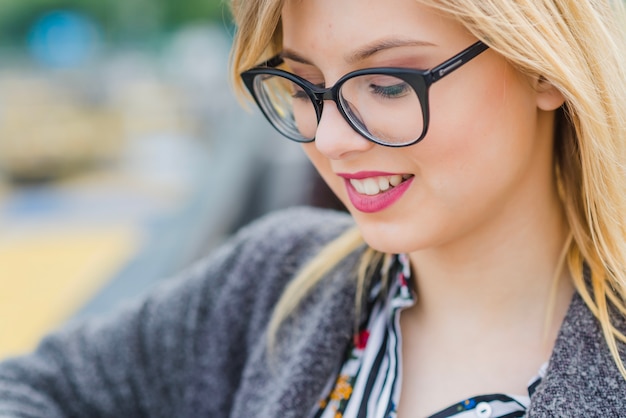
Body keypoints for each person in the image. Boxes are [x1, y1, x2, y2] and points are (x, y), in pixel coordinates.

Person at [2, 0, 626, 416]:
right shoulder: (269, 283)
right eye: (303, 85)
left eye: (386, 83)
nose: (329, 140)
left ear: (544, 68)